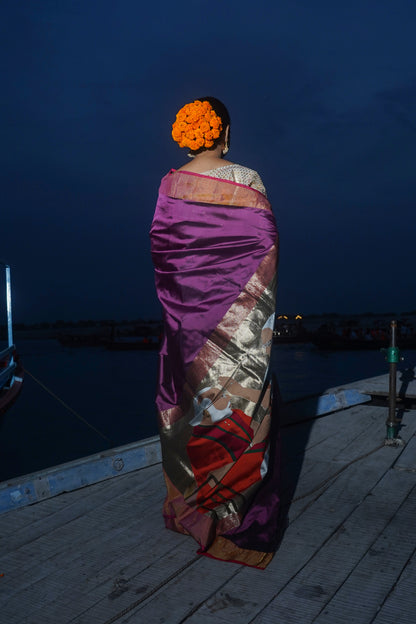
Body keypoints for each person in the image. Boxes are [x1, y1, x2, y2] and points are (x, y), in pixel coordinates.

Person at [150, 97, 280, 568]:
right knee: (244, 406)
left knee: (190, 407)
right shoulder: (246, 180)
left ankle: (193, 508)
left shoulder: (169, 184)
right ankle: (235, 522)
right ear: (224, 132)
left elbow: (167, 255)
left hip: (187, 325)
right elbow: (265, 247)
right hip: (240, 325)